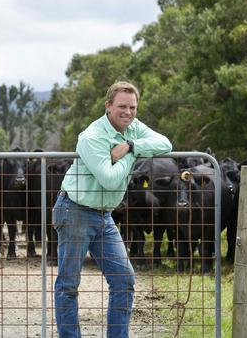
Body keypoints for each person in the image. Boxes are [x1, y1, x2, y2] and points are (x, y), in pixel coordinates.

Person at [53, 81, 172, 337]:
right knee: (68, 284)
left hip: (104, 215)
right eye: (122, 107)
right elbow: (108, 178)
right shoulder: (92, 137)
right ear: (108, 106)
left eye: (132, 107)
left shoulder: (133, 128)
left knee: (124, 280)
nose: (128, 112)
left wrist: (129, 146)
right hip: (75, 211)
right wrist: (133, 153)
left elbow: (165, 144)